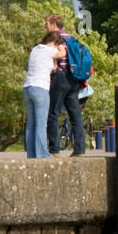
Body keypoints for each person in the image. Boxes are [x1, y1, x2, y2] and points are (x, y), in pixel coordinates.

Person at [45, 12, 86, 156]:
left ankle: (54, 149)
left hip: (60, 77)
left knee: (53, 113)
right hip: (73, 79)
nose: (46, 27)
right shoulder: (71, 38)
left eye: (47, 24)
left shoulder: (55, 39)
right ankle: (79, 149)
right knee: (75, 115)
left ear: (54, 25)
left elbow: (51, 58)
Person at [23, 31, 67, 158]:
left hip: (27, 88)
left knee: (31, 124)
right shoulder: (50, 50)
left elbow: (52, 68)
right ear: (54, 43)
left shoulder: (35, 49)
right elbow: (63, 53)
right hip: (40, 88)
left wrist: (53, 62)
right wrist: (61, 45)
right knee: (41, 123)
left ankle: (31, 155)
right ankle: (42, 154)